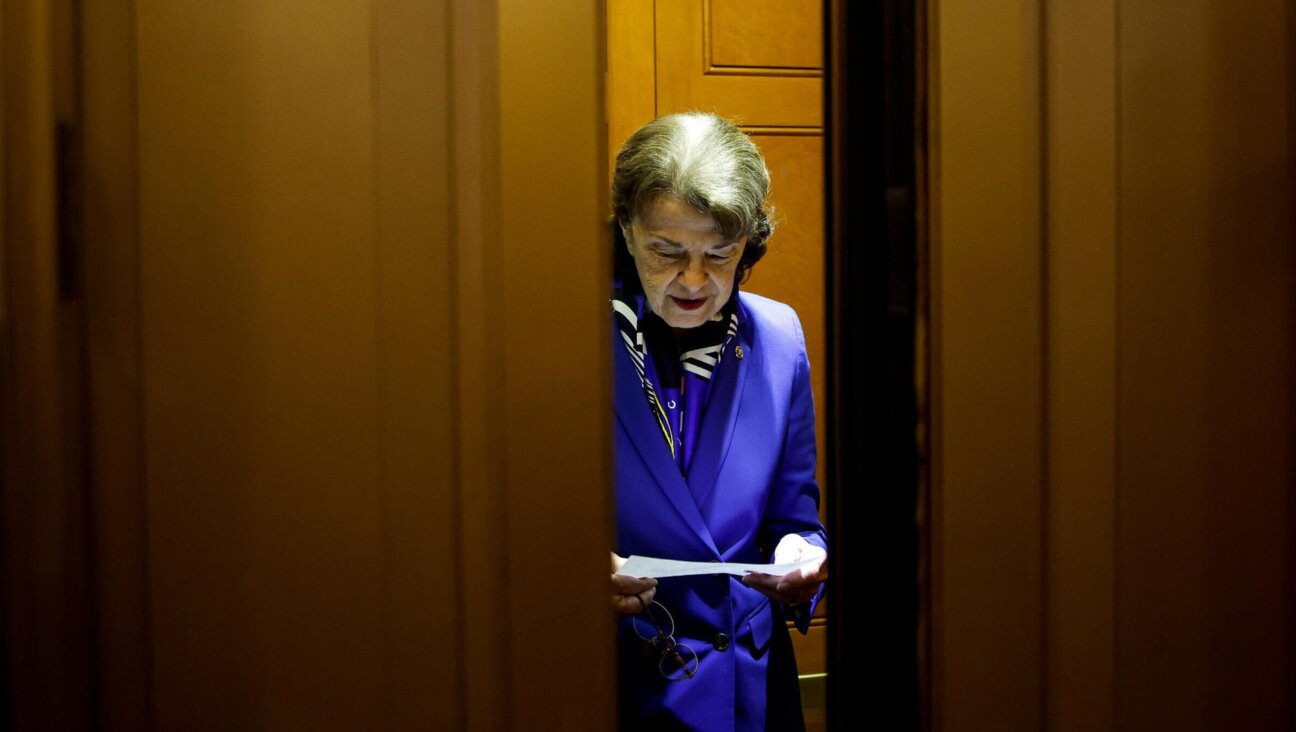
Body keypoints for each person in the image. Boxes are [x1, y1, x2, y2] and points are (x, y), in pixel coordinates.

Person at [608, 112, 828, 731]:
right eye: (667, 252)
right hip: (621, 684)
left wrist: (799, 556)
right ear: (627, 228)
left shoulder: (779, 336)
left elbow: (796, 519)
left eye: (720, 254)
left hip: (750, 694)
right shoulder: (562, 339)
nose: (695, 280)